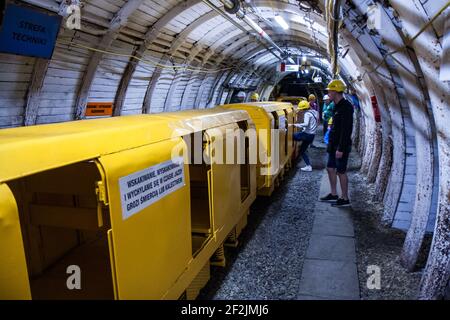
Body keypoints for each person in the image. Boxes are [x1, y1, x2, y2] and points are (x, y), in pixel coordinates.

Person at [320, 79, 354, 207]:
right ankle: (334, 194)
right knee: (330, 168)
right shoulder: (336, 106)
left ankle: (344, 198)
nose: (328, 92)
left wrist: (341, 148)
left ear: (336, 91)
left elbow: (346, 130)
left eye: (330, 90)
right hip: (333, 144)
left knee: (341, 171)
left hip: (341, 146)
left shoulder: (346, 107)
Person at [293, 100, 319, 172]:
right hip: (311, 135)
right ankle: (308, 166)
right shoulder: (313, 112)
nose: (300, 111)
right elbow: (311, 124)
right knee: (302, 151)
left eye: (300, 109)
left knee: (293, 136)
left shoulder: (307, 114)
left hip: (307, 135)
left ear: (304, 109)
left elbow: (306, 124)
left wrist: (296, 125)